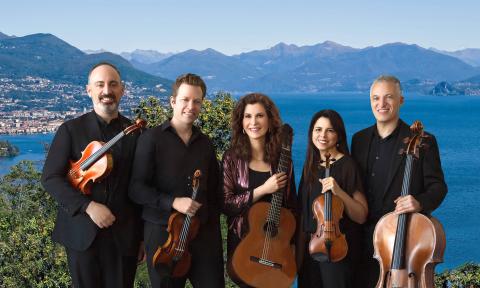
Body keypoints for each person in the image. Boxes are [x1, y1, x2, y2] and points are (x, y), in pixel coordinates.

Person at [41, 62, 144, 288]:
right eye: (100, 85)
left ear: (122, 90)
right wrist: (88, 206)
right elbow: (50, 178)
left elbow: (141, 186)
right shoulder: (70, 130)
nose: (107, 91)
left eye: (113, 84)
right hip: (81, 235)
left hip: (124, 236)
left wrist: (142, 237)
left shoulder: (135, 133)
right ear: (89, 90)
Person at [351, 75, 448, 287]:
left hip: (402, 242)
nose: (381, 104)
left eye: (388, 97)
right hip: (362, 243)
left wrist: (419, 202)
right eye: (376, 98)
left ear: (401, 100)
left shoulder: (425, 141)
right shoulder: (358, 140)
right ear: (370, 102)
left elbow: (438, 186)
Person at [128, 73, 224, 287]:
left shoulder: (206, 144)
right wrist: (173, 202)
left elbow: (215, 192)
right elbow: (136, 189)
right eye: (185, 100)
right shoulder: (150, 139)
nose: (191, 106)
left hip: (203, 236)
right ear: (173, 101)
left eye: (197, 101)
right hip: (164, 236)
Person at [221, 93, 298, 287]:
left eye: (260, 116)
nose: (253, 122)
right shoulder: (231, 159)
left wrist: (292, 247)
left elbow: (292, 207)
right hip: (243, 244)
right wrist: (263, 189)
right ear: (241, 123)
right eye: (248, 116)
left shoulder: (283, 161)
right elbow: (226, 204)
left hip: (276, 246)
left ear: (270, 121)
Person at [297, 109, 368, 288]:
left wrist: (339, 191)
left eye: (330, 130)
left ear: (339, 135)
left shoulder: (347, 165)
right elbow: (303, 214)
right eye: (318, 129)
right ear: (311, 133)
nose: (323, 135)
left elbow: (361, 215)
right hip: (310, 249)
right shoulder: (311, 166)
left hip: (337, 251)